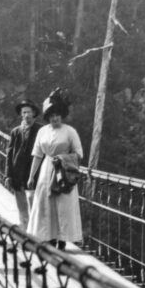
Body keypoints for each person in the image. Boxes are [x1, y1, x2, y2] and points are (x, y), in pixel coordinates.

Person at [27, 89, 83, 250]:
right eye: (51, 116)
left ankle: (62, 239)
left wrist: (64, 159)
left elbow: (79, 153)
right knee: (46, 204)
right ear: (47, 117)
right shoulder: (42, 132)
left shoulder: (70, 131)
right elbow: (37, 154)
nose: (55, 118)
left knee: (63, 205)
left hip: (64, 171)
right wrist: (31, 176)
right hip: (46, 170)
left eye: (57, 115)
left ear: (62, 115)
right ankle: (48, 236)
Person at [5, 100, 42, 230]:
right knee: (21, 204)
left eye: (29, 112)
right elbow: (9, 154)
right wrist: (8, 175)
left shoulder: (40, 130)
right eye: (24, 112)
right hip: (17, 172)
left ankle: (34, 230)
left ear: (34, 114)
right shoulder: (15, 131)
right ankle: (24, 228)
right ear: (21, 114)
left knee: (33, 200)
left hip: (33, 172)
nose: (26, 115)